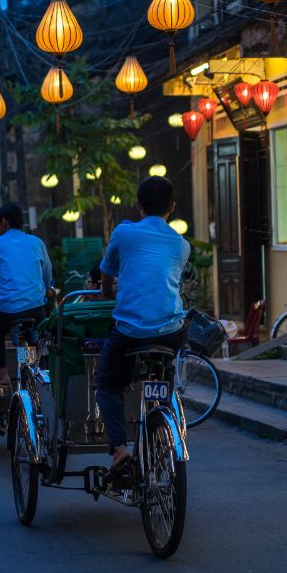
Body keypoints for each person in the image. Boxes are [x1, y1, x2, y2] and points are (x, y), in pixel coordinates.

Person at [95, 176, 190, 476]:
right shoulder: (181, 244)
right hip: (170, 330)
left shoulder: (123, 233)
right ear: (172, 207)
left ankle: (120, 450)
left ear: (138, 206)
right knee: (166, 367)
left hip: (130, 332)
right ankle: (165, 409)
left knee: (107, 383)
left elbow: (106, 278)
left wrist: (110, 292)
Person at [0, 202, 52, 393]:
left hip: (6, 310)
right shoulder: (37, 242)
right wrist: (48, 288)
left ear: (4, 221)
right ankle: (40, 369)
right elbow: (47, 274)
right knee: (42, 334)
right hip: (35, 308)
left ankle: (3, 375)